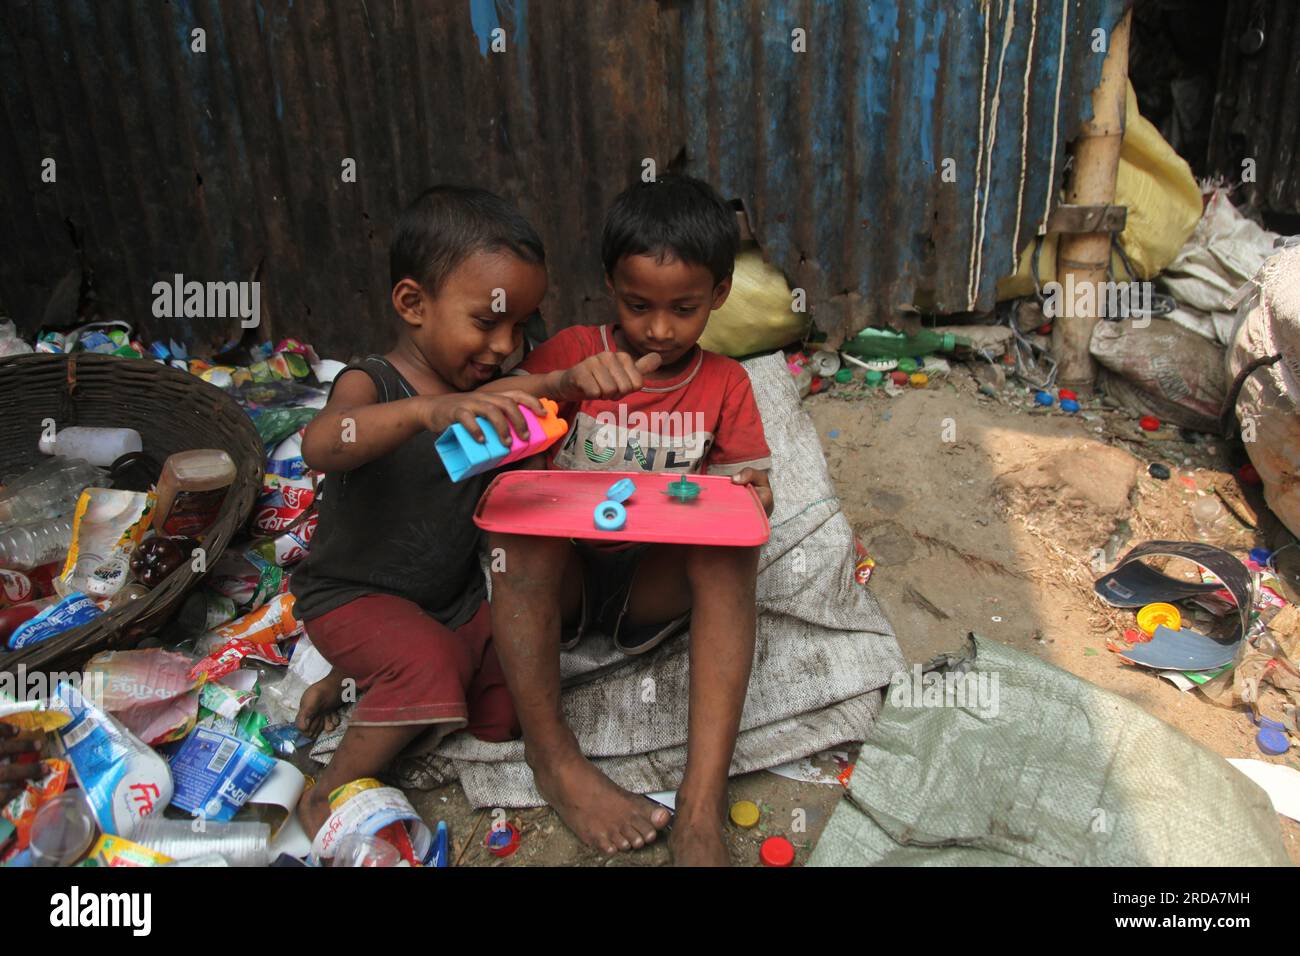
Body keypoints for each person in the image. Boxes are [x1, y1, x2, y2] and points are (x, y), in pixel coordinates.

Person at [482, 173, 774, 865]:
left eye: (685, 308)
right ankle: (553, 760)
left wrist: (754, 495)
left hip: (653, 589)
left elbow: (747, 488)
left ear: (720, 297)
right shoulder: (575, 353)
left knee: (733, 545)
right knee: (515, 525)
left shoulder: (727, 384)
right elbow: (487, 407)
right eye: (638, 305)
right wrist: (561, 384)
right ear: (610, 285)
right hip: (568, 582)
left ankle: (700, 805)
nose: (659, 329)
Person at [289, 185, 555, 840]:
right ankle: (323, 796)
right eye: (487, 321)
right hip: (353, 597)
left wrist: (583, 379)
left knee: (506, 691)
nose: (505, 345)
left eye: (520, 326)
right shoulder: (374, 382)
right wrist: (423, 413)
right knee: (427, 668)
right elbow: (321, 444)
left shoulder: (488, 394)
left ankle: (358, 683)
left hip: (448, 601)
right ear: (413, 303)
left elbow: (544, 388)